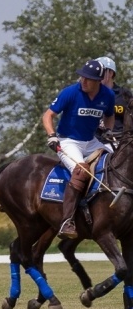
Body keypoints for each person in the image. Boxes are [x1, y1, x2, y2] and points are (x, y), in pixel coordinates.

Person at [42, 59, 115, 240]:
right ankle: (67, 221)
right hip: (68, 141)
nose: (83, 81)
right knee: (81, 170)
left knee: (116, 162)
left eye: (88, 79)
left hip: (91, 141)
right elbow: (48, 115)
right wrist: (52, 135)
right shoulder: (70, 92)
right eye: (82, 77)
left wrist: (107, 130)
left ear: (98, 81)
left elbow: (110, 115)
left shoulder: (107, 95)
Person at [95, 55, 133, 135]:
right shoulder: (90, 93)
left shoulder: (124, 94)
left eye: (100, 72)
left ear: (111, 73)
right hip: (94, 140)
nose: (96, 75)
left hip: (119, 141)